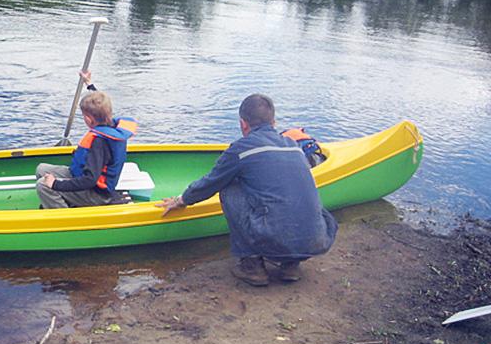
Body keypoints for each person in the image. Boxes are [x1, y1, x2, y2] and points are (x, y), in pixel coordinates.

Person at [157, 94, 337, 287]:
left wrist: (182, 199)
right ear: (274, 122)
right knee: (293, 194)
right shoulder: (293, 146)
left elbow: (211, 183)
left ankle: (252, 266)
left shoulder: (241, 149)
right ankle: (290, 266)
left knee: (229, 188)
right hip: (317, 239)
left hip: (276, 238)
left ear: (243, 124)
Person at [36, 76, 137, 209]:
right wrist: (89, 85)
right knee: (41, 169)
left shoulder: (99, 143)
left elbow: (90, 180)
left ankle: (64, 217)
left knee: (43, 185)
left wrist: (55, 184)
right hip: (81, 176)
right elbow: (101, 103)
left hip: (97, 194)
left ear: (89, 120)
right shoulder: (111, 123)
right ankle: (65, 201)